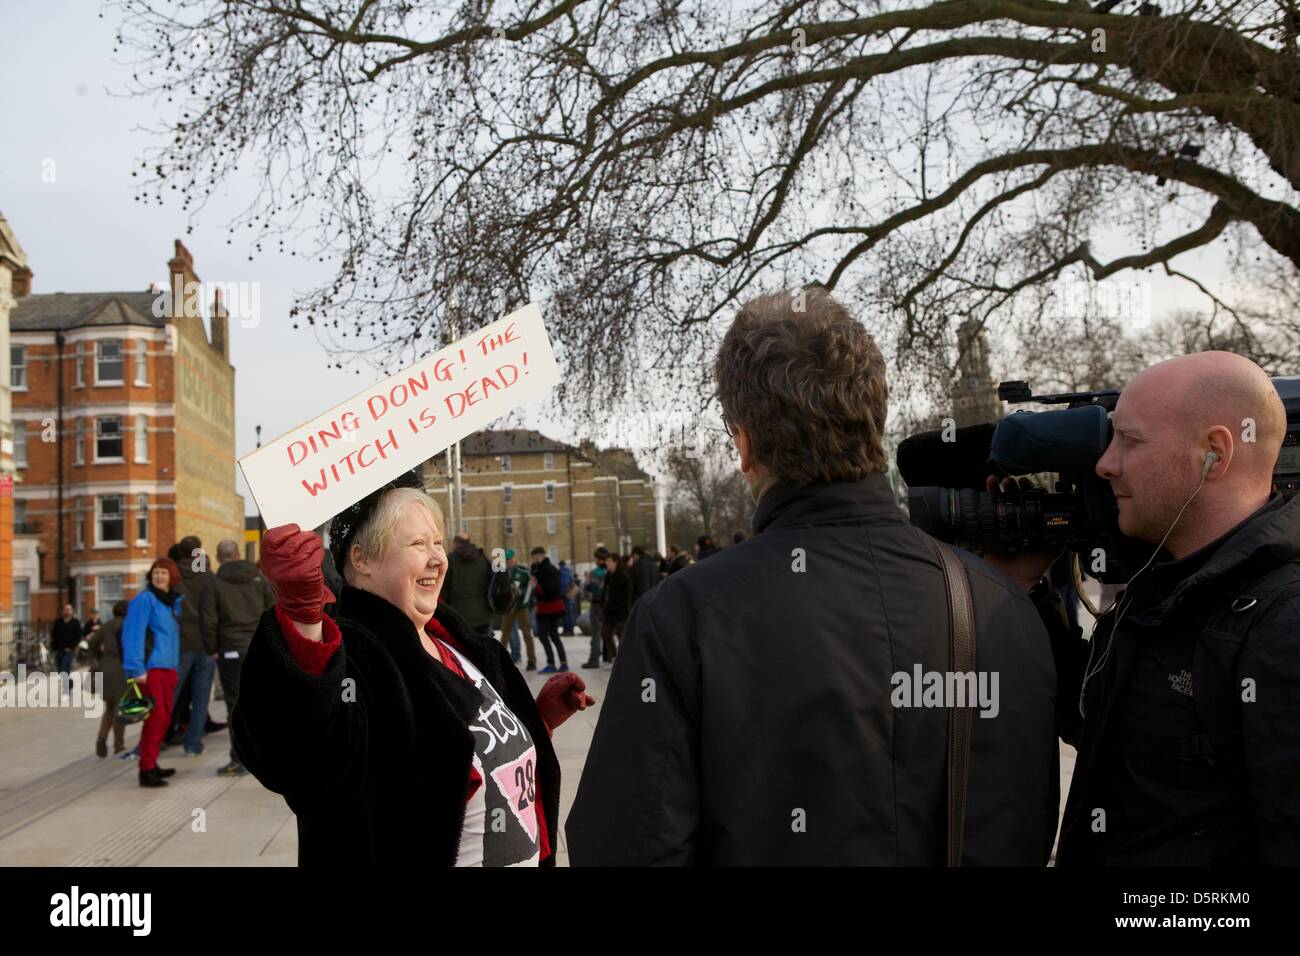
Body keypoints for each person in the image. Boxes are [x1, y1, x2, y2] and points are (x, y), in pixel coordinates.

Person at [566, 287, 1058, 865]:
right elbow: (1028, 822)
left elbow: (628, 848)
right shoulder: (1003, 605)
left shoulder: (685, 618)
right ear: (875, 419)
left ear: (745, 444)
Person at [994, 351, 1300, 865]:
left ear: (1214, 454)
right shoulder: (1163, 583)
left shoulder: (1282, 624)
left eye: (1129, 441)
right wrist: (1029, 589)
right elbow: (1101, 724)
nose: (1104, 463)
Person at [231, 471, 595, 866]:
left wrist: (532, 723)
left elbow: (462, 753)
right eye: (418, 544)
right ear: (362, 558)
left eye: (438, 542)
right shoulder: (352, 659)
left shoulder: (460, 644)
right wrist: (302, 618)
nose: (438, 558)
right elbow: (307, 763)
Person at [211, 538, 276, 776]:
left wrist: (213, 648)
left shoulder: (215, 583)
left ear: (218, 557)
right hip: (257, 647)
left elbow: (209, 620)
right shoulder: (259, 579)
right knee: (261, 702)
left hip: (230, 650)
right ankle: (266, 756)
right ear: (239, 553)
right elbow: (273, 610)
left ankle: (239, 758)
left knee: (234, 705)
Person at [121, 557, 184, 787]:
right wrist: (136, 668)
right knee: (155, 719)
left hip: (169, 668)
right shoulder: (144, 600)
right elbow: (133, 635)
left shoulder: (172, 602)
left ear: (172, 577)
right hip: (151, 669)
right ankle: (146, 769)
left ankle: (152, 761)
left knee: (165, 719)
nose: (159, 576)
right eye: (156, 572)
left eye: (164, 573)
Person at [172, 535, 218, 756]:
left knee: (171, 695)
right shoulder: (203, 572)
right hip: (205, 641)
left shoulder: (175, 573)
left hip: (180, 643)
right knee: (201, 697)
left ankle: (155, 737)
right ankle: (193, 744)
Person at [87, 600, 129, 757]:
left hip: (106, 666)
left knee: (110, 707)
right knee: (121, 708)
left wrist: (98, 656)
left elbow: (91, 642)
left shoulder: (106, 626)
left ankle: (101, 737)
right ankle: (119, 745)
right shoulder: (127, 625)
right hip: (122, 668)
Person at [443, 534, 494, 639]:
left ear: (456, 544)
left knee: (464, 651)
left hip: (459, 615)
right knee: (484, 649)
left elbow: (444, 588)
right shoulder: (482, 557)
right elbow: (491, 582)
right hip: (483, 615)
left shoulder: (451, 560)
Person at [529, 548, 568, 673]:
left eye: (533, 557)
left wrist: (536, 587)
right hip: (556, 606)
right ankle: (563, 663)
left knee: (543, 635)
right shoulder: (552, 568)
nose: (532, 560)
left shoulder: (543, 570)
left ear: (538, 556)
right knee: (554, 635)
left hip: (547, 608)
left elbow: (548, 589)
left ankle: (551, 663)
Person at [499, 549, 537, 670]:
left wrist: (522, 592)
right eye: (507, 560)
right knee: (504, 634)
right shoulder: (503, 572)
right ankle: (500, 661)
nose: (509, 561)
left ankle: (532, 660)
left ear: (515, 558)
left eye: (510, 559)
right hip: (508, 608)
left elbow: (531, 587)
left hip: (521, 607)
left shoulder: (523, 571)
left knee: (527, 634)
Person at [598, 552, 630, 663]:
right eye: (606, 561)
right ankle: (615, 657)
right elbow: (606, 592)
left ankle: (623, 660)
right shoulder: (609, 575)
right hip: (609, 610)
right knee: (606, 633)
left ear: (616, 562)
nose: (607, 563)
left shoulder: (622, 575)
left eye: (609, 561)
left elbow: (624, 596)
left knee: (621, 636)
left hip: (620, 611)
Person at [581, 547, 609, 668]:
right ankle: (608, 656)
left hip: (597, 605)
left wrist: (587, 587)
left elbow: (590, 590)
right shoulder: (610, 571)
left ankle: (594, 659)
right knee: (607, 631)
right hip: (608, 605)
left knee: (596, 632)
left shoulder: (595, 572)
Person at [50, 604, 82, 695]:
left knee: (65, 668)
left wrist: (73, 646)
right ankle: (70, 683)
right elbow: (54, 635)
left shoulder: (75, 622)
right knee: (60, 670)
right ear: (62, 611)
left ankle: (66, 690)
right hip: (58, 650)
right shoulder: (58, 622)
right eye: (65, 609)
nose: (67, 611)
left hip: (69, 650)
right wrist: (54, 648)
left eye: (69, 609)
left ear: (72, 611)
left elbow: (79, 636)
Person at [559, 560, 576, 636]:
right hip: (570, 594)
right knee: (570, 613)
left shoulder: (560, 572)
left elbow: (563, 584)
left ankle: (566, 631)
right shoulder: (569, 572)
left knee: (565, 613)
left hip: (563, 595)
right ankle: (571, 631)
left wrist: (562, 593)